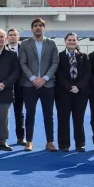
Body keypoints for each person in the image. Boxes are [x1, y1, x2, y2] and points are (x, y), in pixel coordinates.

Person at [19, 18, 59, 152]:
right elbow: (22, 63)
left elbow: (55, 63)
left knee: (49, 115)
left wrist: (45, 78)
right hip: (30, 85)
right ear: (32, 29)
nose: (38, 28)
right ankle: (29, 141)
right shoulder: (24, 44)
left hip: (47, 85)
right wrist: (33, 78)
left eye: (40, 26)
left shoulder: (52, 44)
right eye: (35, 26)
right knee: (30, 114)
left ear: (44, 28)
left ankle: (50, 142)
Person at [55, 33, 90, 152]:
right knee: (63, 119)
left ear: (77, 42)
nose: (71, 42)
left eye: (74, 40)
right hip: (63, 93)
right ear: (65, 41)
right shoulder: (58, 56)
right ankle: (64, 144)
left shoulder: (84, 56)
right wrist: (70, 87)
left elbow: (87, 74)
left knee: (79, 119)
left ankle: (80, 143)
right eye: (69, 40)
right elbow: (58, 73)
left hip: (80, 93)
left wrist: (78, 87)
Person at [6, 28, 25, 145]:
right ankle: (2, 138)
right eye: (10, 35)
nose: (12, 37)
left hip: (21, 85)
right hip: (6, 85)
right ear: (7, 38)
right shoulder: (2, 49)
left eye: (15, 35)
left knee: (19, 112)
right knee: (3, 114)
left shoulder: (24, 50)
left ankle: (21, 137)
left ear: (18, 37)